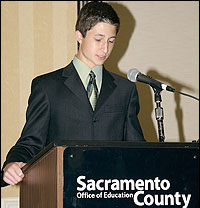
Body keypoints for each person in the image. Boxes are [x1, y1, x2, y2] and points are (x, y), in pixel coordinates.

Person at [1, 1, 145, 187]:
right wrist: (11, 165)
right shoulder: (47, 87)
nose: (105, 49)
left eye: (111, 41)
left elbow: (137, 150)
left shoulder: (126, 90)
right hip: (62, 191)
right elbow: (29, 143)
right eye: (98, 39)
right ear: (79, 35)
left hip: (112, 194)